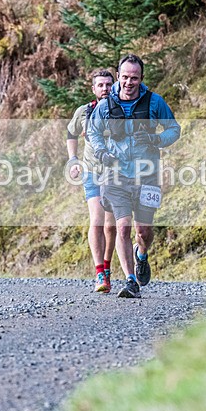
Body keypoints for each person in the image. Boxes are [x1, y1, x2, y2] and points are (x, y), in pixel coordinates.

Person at [87, 54, 181, 298]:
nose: (129, 82)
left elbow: (174, 129)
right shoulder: (106, 105)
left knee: (144, 231)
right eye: (125, 77)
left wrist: (156, 139)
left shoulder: (154, 102)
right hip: (115, 176)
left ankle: (142, 255)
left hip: (147, 175)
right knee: (122, 227)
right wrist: (101, 151)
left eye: (135, 78)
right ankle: (130, 281)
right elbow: (93, 132)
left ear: (141, 79)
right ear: (118, 76)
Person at [67, 68, 118, 293]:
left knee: (111, 225)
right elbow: (71, 134)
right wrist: (73, 160)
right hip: (91, 172)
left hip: (116, 174)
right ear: (94, 88)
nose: (105, 88)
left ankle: (107, 267)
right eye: (101, 85)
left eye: (109, 84)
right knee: (96, 220)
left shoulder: (121, 110)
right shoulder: (84, 112)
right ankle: (99, 273)